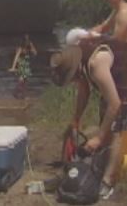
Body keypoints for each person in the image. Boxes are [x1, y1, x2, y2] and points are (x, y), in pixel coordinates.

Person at [49, 37, 127, 201]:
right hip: (116, 78)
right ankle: (102, 164)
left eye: (71, 78)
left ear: (74, 70)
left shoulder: (95, 64)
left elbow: (115, 104)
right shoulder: (80, 58)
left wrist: (99, 137)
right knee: (106, 121)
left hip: (124, 80)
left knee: (118, 125)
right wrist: (76, 120)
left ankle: (108, 181)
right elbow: (84, 92)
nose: (73, 82)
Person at [8, 35, 36, 99]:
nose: (27, 41)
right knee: (21, 80)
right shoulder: (20, 48)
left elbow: (35, 53)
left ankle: (22, 95)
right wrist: (13, 67)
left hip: (26, 65)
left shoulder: (29, 48)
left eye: (28, 39)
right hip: (21, 65)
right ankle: (15, 92)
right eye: (26, 40)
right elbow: (16, 57)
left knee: (25, 81)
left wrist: (32, 46)